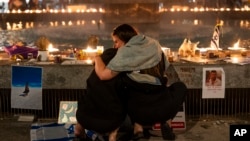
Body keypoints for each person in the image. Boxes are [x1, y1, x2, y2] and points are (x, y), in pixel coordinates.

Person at [94, 24, 187, 140]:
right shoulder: (154, 44)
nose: (115, 46)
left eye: (116, 42)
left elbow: (103, 75)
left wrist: (97, 58)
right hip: (163, 108)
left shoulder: (124, 53)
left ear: (124, 39)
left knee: (123, 86)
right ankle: (167, 123)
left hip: (137, 112)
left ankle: (138, 130)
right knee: (180, 87)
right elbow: (168, 70)